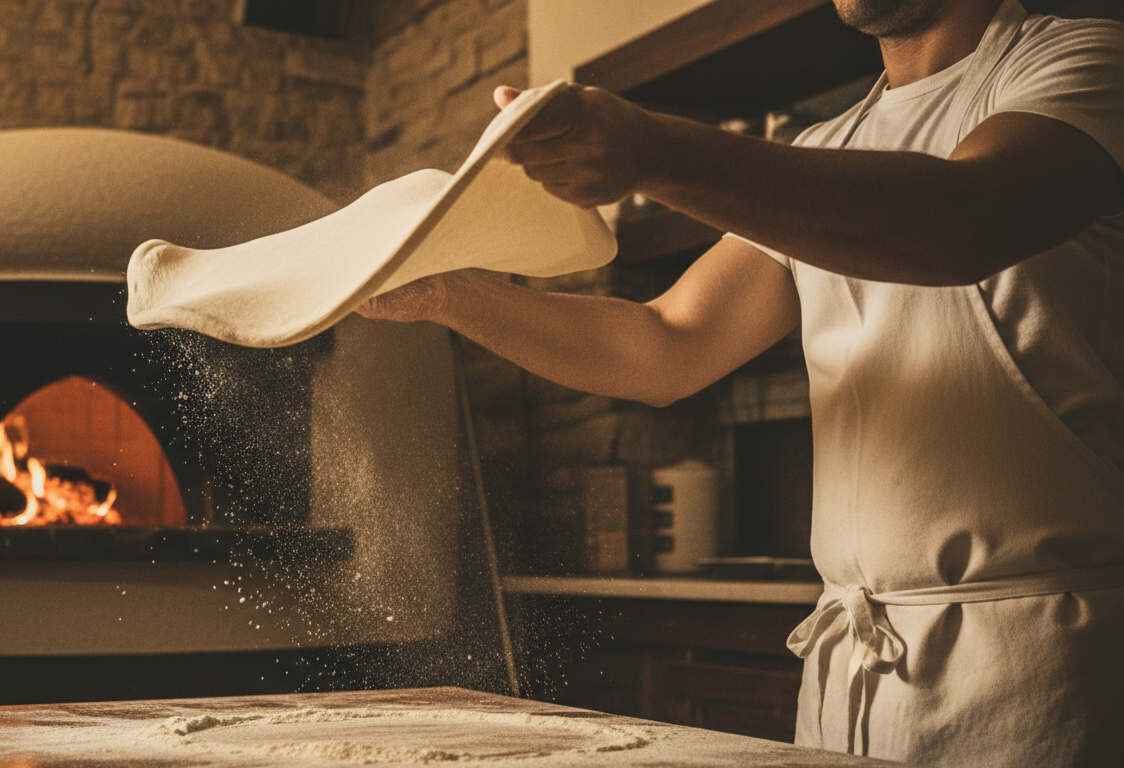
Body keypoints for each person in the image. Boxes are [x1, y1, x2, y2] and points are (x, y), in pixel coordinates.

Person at [357, 0, 1124, 765]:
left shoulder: (1081, 64)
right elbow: (666, 343)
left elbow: (962, 221)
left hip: (1039, 667)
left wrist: (658, 152)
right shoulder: (824, 148)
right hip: (853, 675)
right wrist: (449, 294)